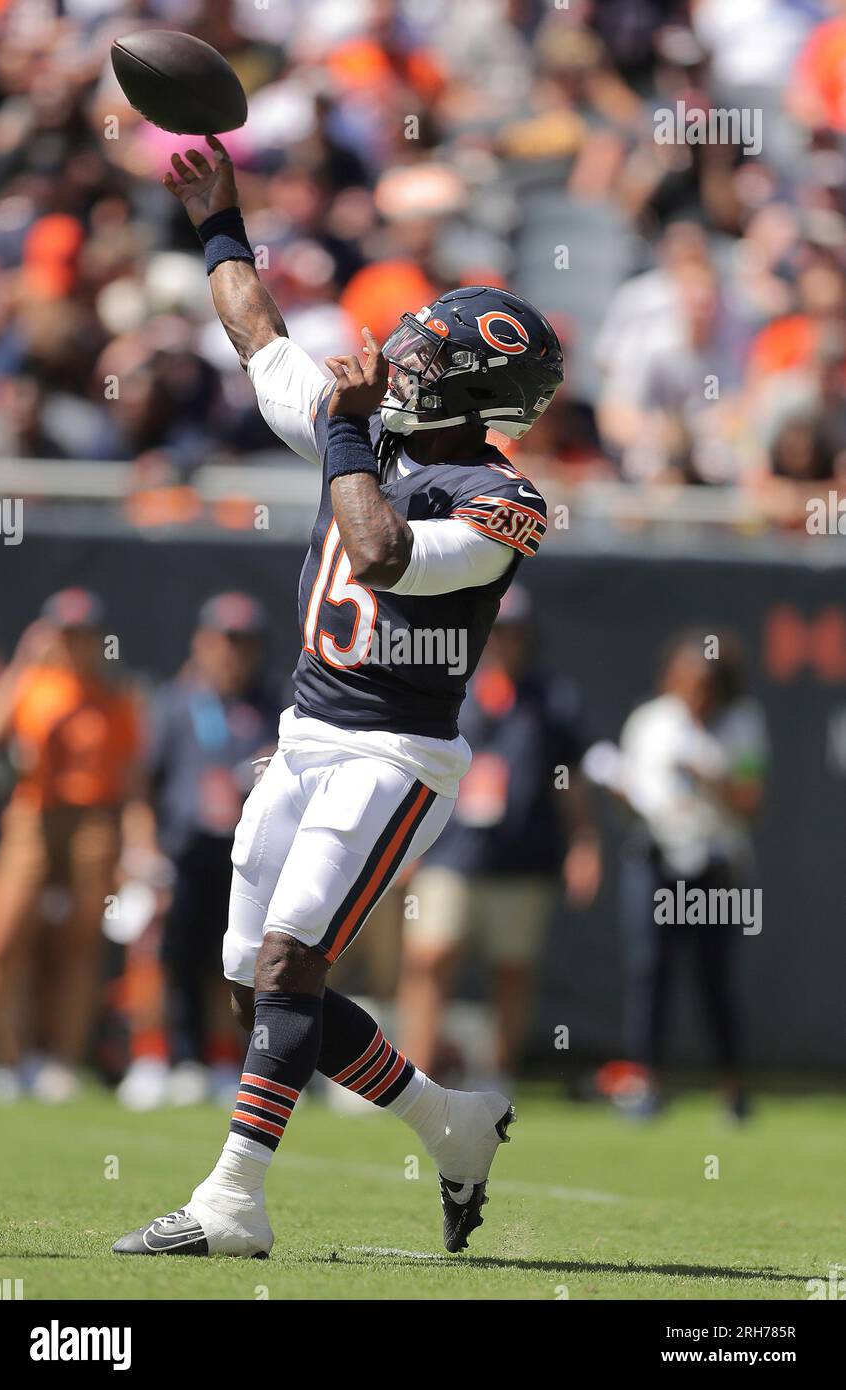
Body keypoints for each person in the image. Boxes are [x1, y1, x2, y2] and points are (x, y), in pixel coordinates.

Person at [113, 135, 564, 1259]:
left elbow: (380, 555)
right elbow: (255, 331)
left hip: (394, 756)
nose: (398, 359)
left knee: (287, 961)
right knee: (251, 982)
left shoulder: (503, 499)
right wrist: (221, 220)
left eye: (426, 357)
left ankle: (231, 1205)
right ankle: (449, 1120)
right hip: (304, 735)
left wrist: (350, 428)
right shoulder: (360, 425)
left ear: (473, 391)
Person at [398, 585, 601, 1088]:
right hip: (450, 851)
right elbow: (416, 767)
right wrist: (404, 844)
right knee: (429, 956)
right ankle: (412, 1076)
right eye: (497, 630)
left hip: (522, 855)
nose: (504, 640)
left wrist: (585, 842)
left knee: (512, 969)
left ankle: (498, 1076)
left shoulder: (553, 699)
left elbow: (570, 778)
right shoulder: (449, 685)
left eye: (514, 632)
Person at [117, 593, 280, 1111]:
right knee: (163, 959)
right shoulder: (172, 703)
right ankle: (157, 1057)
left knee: (234, 961)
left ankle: (224, 1059)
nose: (234, 654)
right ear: (202, 643)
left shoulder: (270, 705)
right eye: (226, 641)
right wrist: (142, 853)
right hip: (181, 856)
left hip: (245, 858)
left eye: (245, 643)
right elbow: (141, 787)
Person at [0, 589, 140, 1102]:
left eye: (83, 636)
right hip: (32, 814)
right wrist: (25, 662)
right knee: (2, 940)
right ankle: (2, 1057)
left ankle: (61, 1062)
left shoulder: (114, 697)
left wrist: (134, 844)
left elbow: (129, 781)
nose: (74, 646)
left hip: (92, 820)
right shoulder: (31, 684)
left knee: (78, 946)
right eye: (65, 635)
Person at [604, 631, 768, 1118]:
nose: (697, 696)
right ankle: (643, 1085)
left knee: (715, 978)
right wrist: (624, 796)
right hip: (655, 860)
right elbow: (631, 798)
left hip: (714, 866)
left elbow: (751, 803)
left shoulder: (742, 724)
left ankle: (733, 1089)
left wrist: (710, 775)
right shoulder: (650, 721)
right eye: (689, 683)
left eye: (707, 686)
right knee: (649, 969)